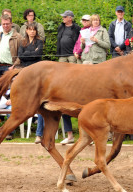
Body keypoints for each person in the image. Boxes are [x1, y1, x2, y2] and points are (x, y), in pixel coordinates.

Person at [57, 10, 80, 145]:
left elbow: (78, 41)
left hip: (72, 55)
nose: (63, 18)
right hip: (62, 55)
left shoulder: (76, 28)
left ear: (70, 18)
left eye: (65, 17)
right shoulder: (61, 26)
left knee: (73, 76)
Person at [18, 23, 43, 143]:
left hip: (37, 72)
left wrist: (28, 54)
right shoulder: (22, 42)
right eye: (30, 30)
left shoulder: (39, 42)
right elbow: (20, 56)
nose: (32, 32)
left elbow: (38, 55)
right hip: (25, 71)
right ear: (26, 31)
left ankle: (39, 132)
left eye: (34, 30)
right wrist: (32, 53)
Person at [0, 14, 22, 78]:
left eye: (7, 24)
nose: (5, 26)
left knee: (9, 87)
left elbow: (21, 54)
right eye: (3, 24)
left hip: (10, 67)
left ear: (11, 24)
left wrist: (14, 66)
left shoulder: (18, 37)